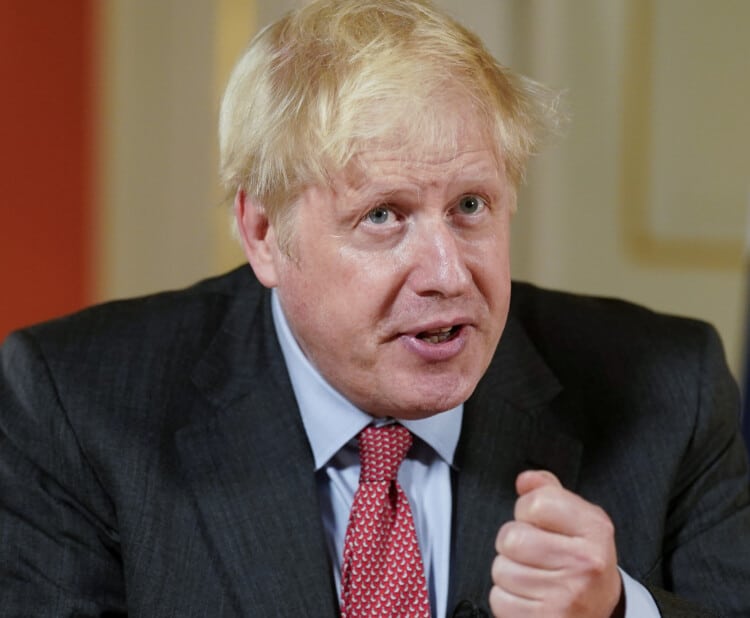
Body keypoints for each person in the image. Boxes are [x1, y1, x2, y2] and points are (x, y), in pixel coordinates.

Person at [1, 0, 749, 616]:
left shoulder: (669, 388)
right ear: (264, 232)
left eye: (470, 205)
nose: (449, 273)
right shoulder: (75, 403)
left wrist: (620, 610)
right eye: (384, 216)